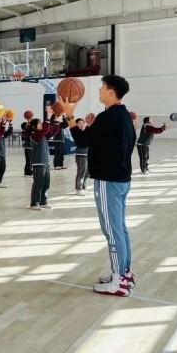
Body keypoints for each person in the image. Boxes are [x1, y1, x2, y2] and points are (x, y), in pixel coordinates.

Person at [68, 75, 137, 297]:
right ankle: (125, 274)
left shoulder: (107, 117)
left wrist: (69, 115)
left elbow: (82, 142)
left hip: (109, 181)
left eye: (102, 87)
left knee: (112, 232)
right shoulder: (123, 116)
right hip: (122, 179)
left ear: (111, 92)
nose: (99, 91)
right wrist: (91, 126)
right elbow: (104, 141)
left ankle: (118, 282)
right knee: (120, 229)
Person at [29, 112, 62, 210]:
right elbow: (46, 129)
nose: (41, 125)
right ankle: (34, 203)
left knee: (46, 183)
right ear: (34, 126)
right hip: (38, 162)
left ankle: (43, 201)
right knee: (38, 183)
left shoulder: (43, 136)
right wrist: (48, 118)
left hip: (46, 163)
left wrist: (57, 122)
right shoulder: (34, 135)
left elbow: (54, 132)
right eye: (39, 123)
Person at [74, 118, 89, 196]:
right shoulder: (76, 132)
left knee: (87, 172)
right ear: (76, 125)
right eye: (79, 123)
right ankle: (78, 189)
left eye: (83, 123)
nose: (82, 125)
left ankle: (83, 187)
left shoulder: (86, 131)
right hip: (81, 154)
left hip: (87, 153)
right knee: (81, 172)